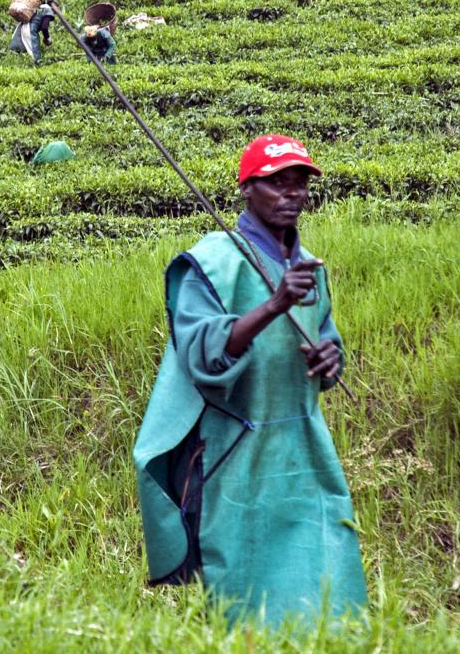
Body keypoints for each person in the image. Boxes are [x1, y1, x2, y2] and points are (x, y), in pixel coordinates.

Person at [134, 134, 366, 627]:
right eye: (275, 183)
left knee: (328, 574)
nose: (291, 193)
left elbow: (327, 338)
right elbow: (204, 356)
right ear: (246, 189)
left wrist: (331, 361)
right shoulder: (211, 264)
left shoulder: (309, 269)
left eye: (299, 182)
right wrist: (273, 305)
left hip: (304, 448)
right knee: (245, 592)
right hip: (235, 450)